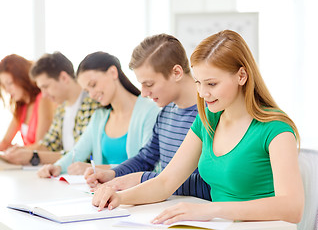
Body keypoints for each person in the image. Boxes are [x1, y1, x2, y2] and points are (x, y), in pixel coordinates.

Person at [92, 30, 304, 224]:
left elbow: (292, 208)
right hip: (221, 224)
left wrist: (213, 210)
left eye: (211, 84)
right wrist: (119, 197)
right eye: (198, 83)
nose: (202, 94)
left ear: (242, 75)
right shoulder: (208, 121)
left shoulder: (276, 128)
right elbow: (166, 182)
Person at [85, 34, 211, 200]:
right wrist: (113, 174)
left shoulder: (211, 114)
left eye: (149, 84)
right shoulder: (166, 112)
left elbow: (209, 183)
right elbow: (146, 158)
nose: (143, 93)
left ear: (176, 72)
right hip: (166, 208)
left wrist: (141, 179)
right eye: (141, 85)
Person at [37, 51, 160, 177]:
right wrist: (57, 167)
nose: (91, 94)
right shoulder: (99, 117)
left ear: (113, 72)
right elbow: (78, 152)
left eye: (93, 85)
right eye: (87, 90)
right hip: (103, 193)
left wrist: (98, 168)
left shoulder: (150, 111)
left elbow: (148, 165)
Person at [1, 51, 100, 165]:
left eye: (46, 86)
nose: (44, 95)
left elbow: (82, 155)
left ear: (64, 77)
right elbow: (48, 145)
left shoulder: (92, 104)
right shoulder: (61, 109)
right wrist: (23, 151)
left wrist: (34, 156)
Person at [0, 54, 55, 154]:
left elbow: (41, 146)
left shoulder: (44, 99)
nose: (7, 90)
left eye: (9, 83)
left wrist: (16, 150)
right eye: (4, 86)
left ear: (22, 77)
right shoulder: (21, 107)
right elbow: (5, 142)